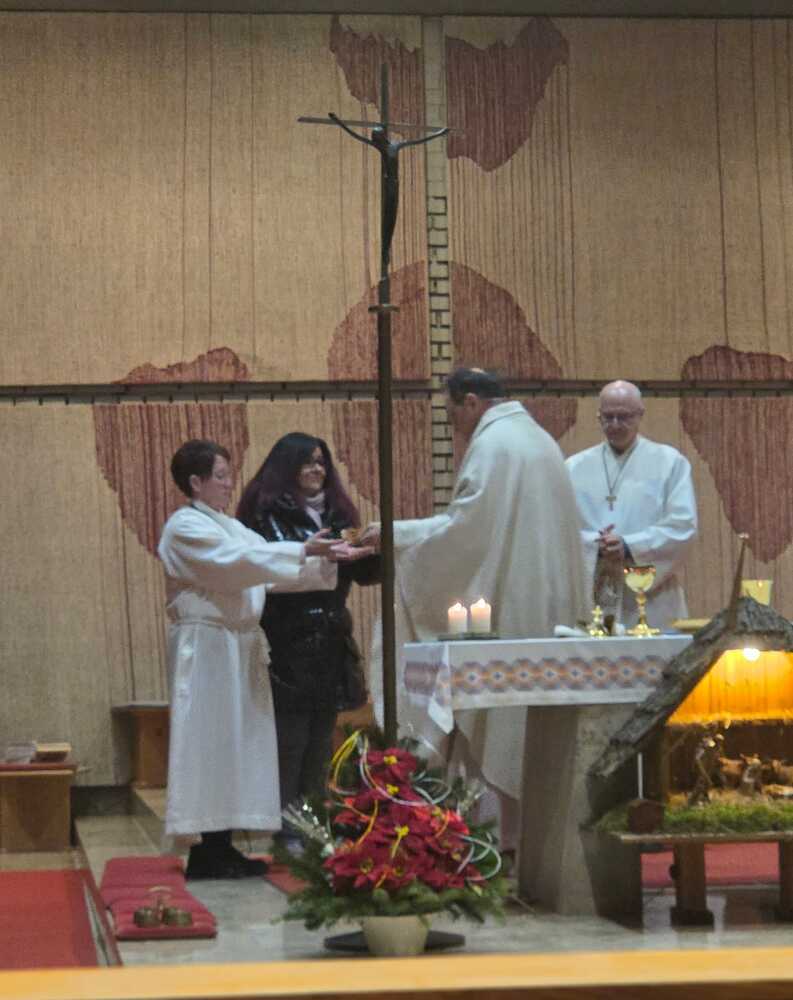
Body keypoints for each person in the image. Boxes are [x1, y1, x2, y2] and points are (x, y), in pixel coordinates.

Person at [360, 368, 588, 827]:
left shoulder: (493, 445)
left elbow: (463, 530)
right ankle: (522, 834)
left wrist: (394, 534)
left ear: (469, 401)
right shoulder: (540, 440)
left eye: (450, 414)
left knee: (496, 717)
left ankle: (494, 833)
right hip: (545, 604)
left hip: (512, 605)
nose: (453, 427)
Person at [158, 439, 366, 879]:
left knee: (238, 744)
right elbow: (239, 563)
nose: (228, 482)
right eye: (220, 475)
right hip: (207, 648)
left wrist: (331, 559)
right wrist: (302, 549)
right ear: (195, 482)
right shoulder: (184, 527)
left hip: (237, 646)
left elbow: (267, 571)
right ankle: (206, 850)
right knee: (212, 743)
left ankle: (224, 845)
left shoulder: (228, 526)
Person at [237, 433, 379, 846]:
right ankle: (286, 827)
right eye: (306, 462)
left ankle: (313, 823)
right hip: (288, 639)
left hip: (332, 637)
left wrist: (375, 550)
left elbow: (359, 575)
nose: (316, 469)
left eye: (321, 461)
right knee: (291, 739)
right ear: (287, 468)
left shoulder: (337, 513)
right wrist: (325, 558)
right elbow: (267, 574)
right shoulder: (264, 514)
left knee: (320, 738)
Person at [565, 380, 698, 629]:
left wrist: (628, 546)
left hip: (652, 597)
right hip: (594, 591)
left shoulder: (670, 463)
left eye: (624, 417)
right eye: (608, 417)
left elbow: (683, 527)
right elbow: (560, 531)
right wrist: (595, 545)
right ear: (598, 416)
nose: (615, 424)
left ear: (640, 415)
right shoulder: (573, 468)